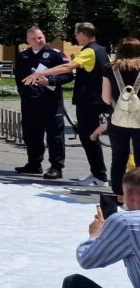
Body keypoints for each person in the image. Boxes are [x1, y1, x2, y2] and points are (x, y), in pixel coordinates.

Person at [26, 23, 112, 186]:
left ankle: (99, 175)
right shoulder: (102, 50)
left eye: (76, 34)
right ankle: (98, 174)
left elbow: (68, 66)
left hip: (89, 102)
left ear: (81, 34)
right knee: (90, 138)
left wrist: (42, 72)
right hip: (97, 100)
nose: (76, 37)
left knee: (88, 138)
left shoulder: (89, 51)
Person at [62, 168, 140, 288]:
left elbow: (87, 259)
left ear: (129, 195)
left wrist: (95, 235)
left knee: (73, 285)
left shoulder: (126, 222)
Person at [13, 27, 71, 180]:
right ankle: (34, 164)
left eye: (39, 37)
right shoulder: (23, 55)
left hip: (50, 100)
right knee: (31, 133)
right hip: (30, 101)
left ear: (44, 37)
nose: (37, 41)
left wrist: (50, 81)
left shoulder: (55, 55)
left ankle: (56, 167)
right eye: (32, 38)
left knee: (54, 135)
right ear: (27, 40)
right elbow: (18, 76)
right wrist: (23, 92)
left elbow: (68, 75)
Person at [102, 38, 140, 196]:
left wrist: (116, 104)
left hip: (118, 120)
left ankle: (119, 193)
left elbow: (105, 96)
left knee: (118, 157)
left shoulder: (111, 68)